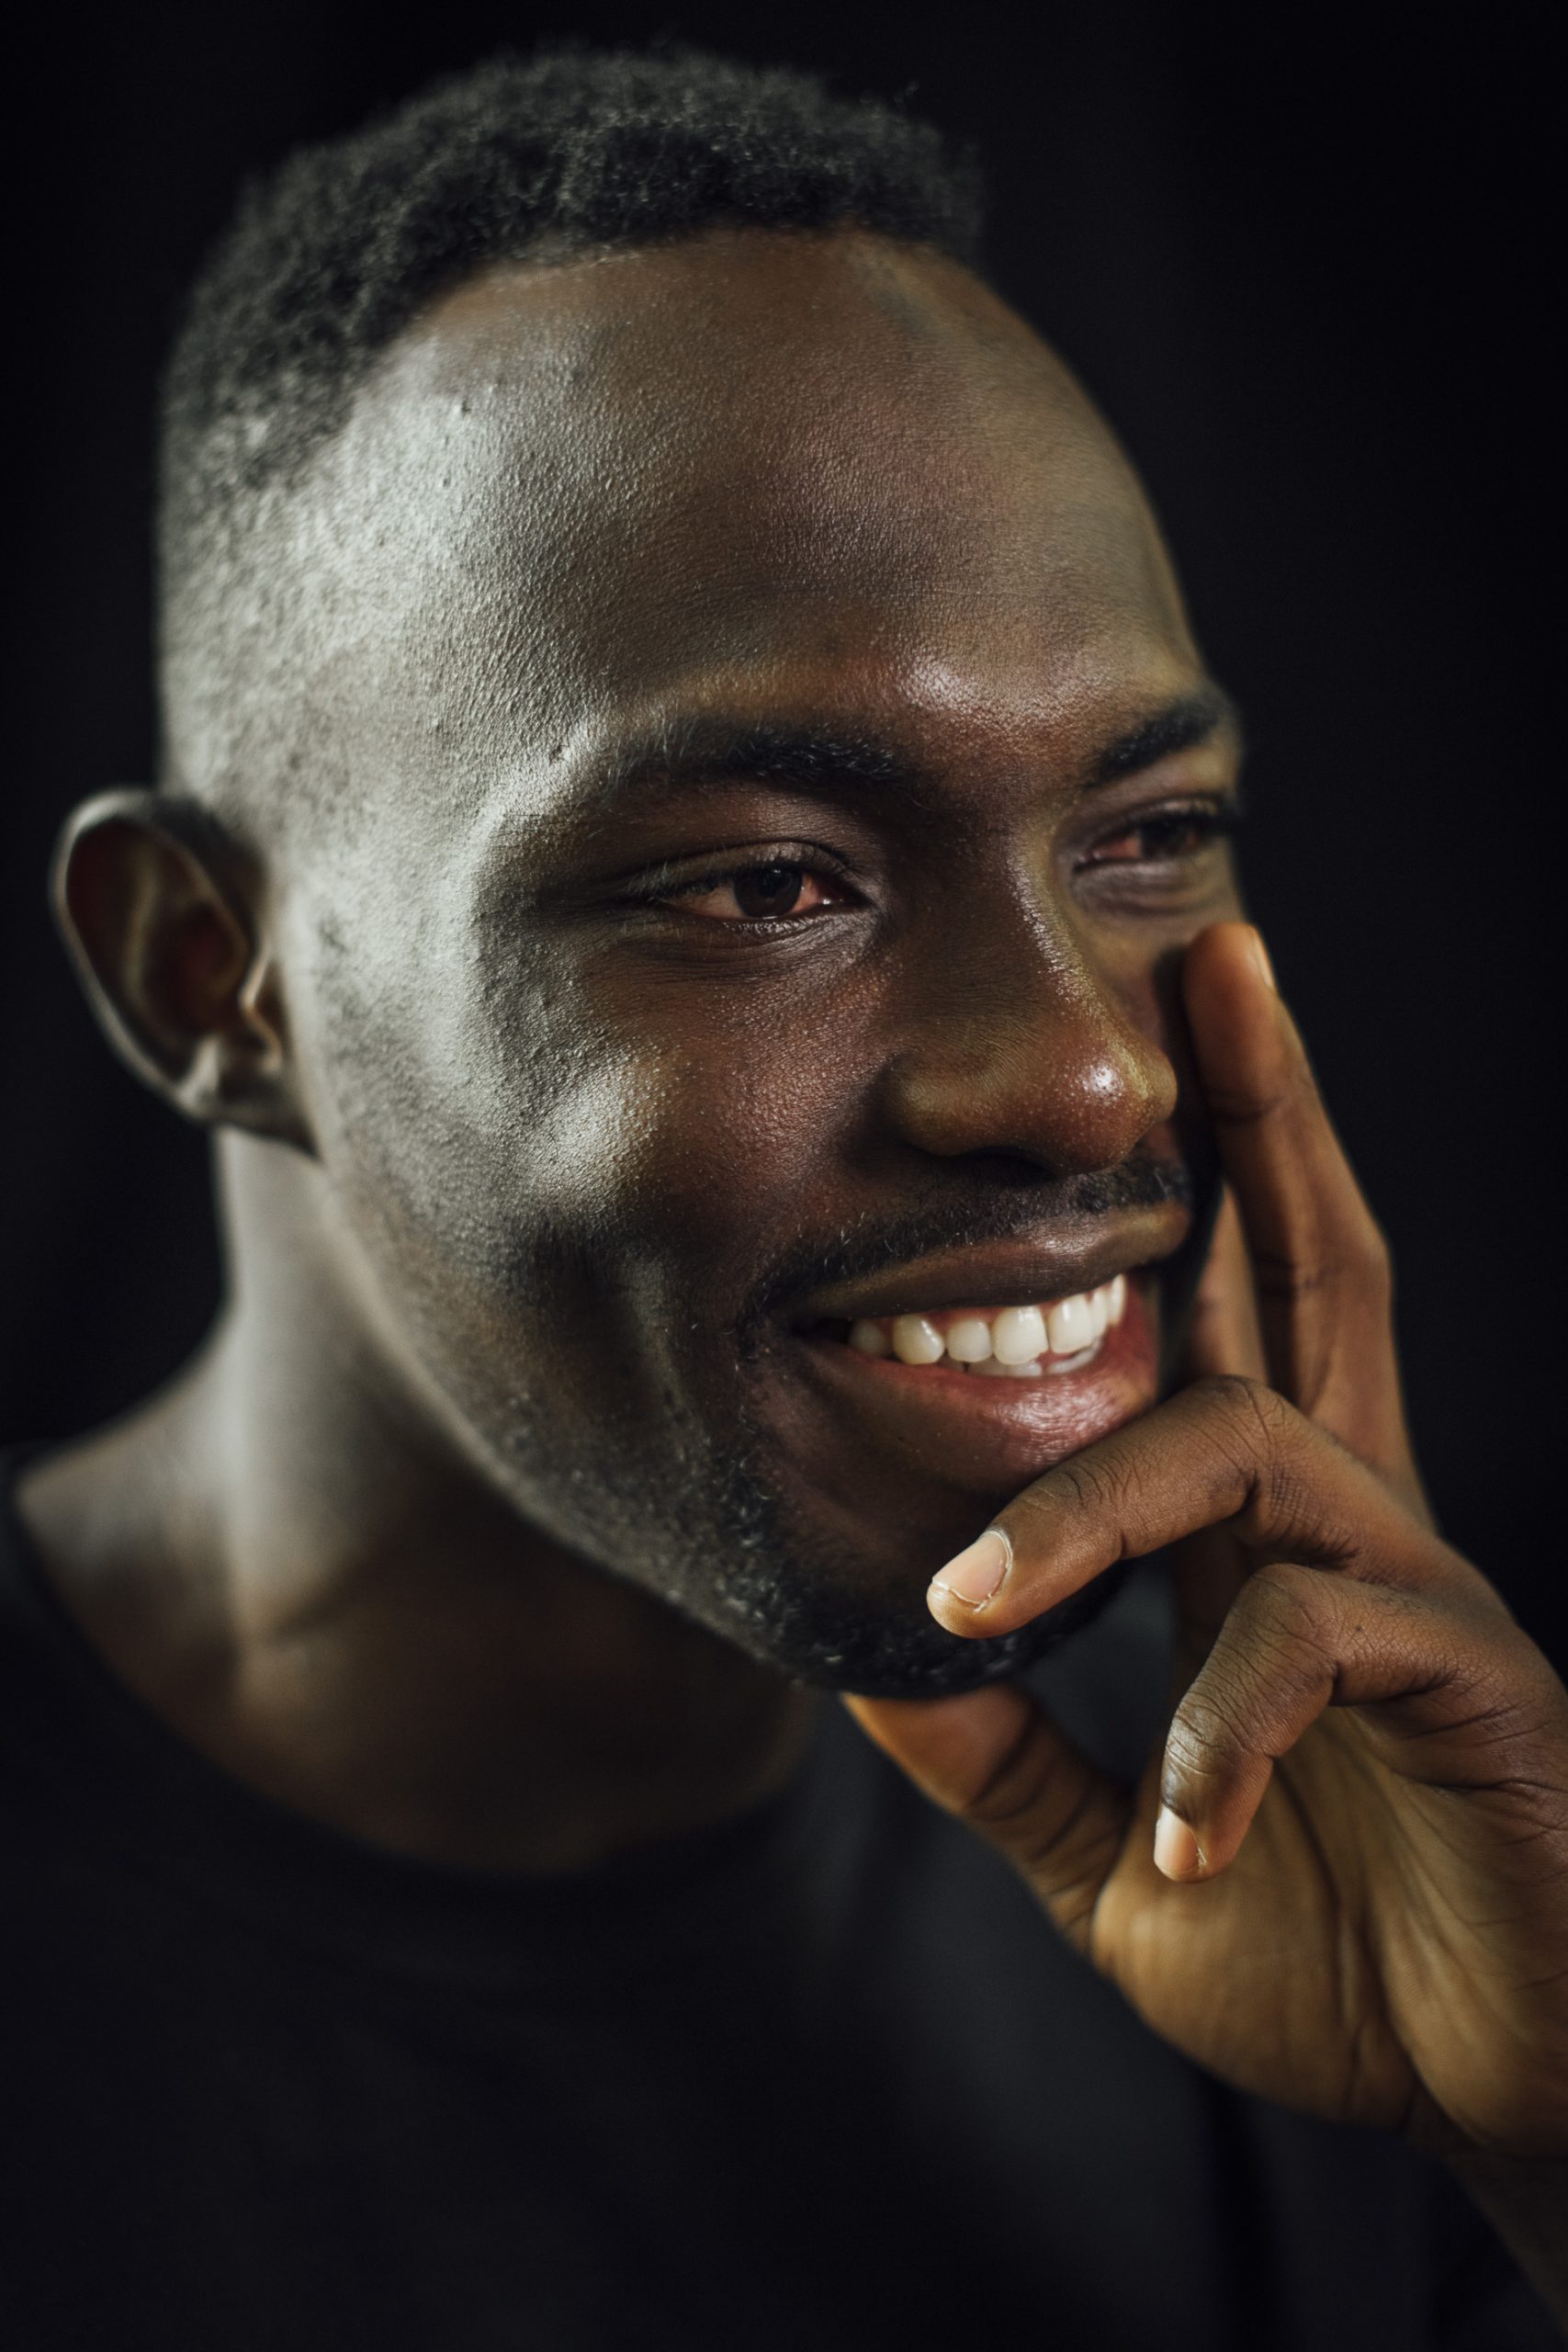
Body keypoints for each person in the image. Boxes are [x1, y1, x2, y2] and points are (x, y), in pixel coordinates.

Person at [4, 44, 1563, 2350]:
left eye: (1143, 835)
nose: (1089, 1070)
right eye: (766, 882)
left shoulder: (1339, 1830)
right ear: (208, 976)